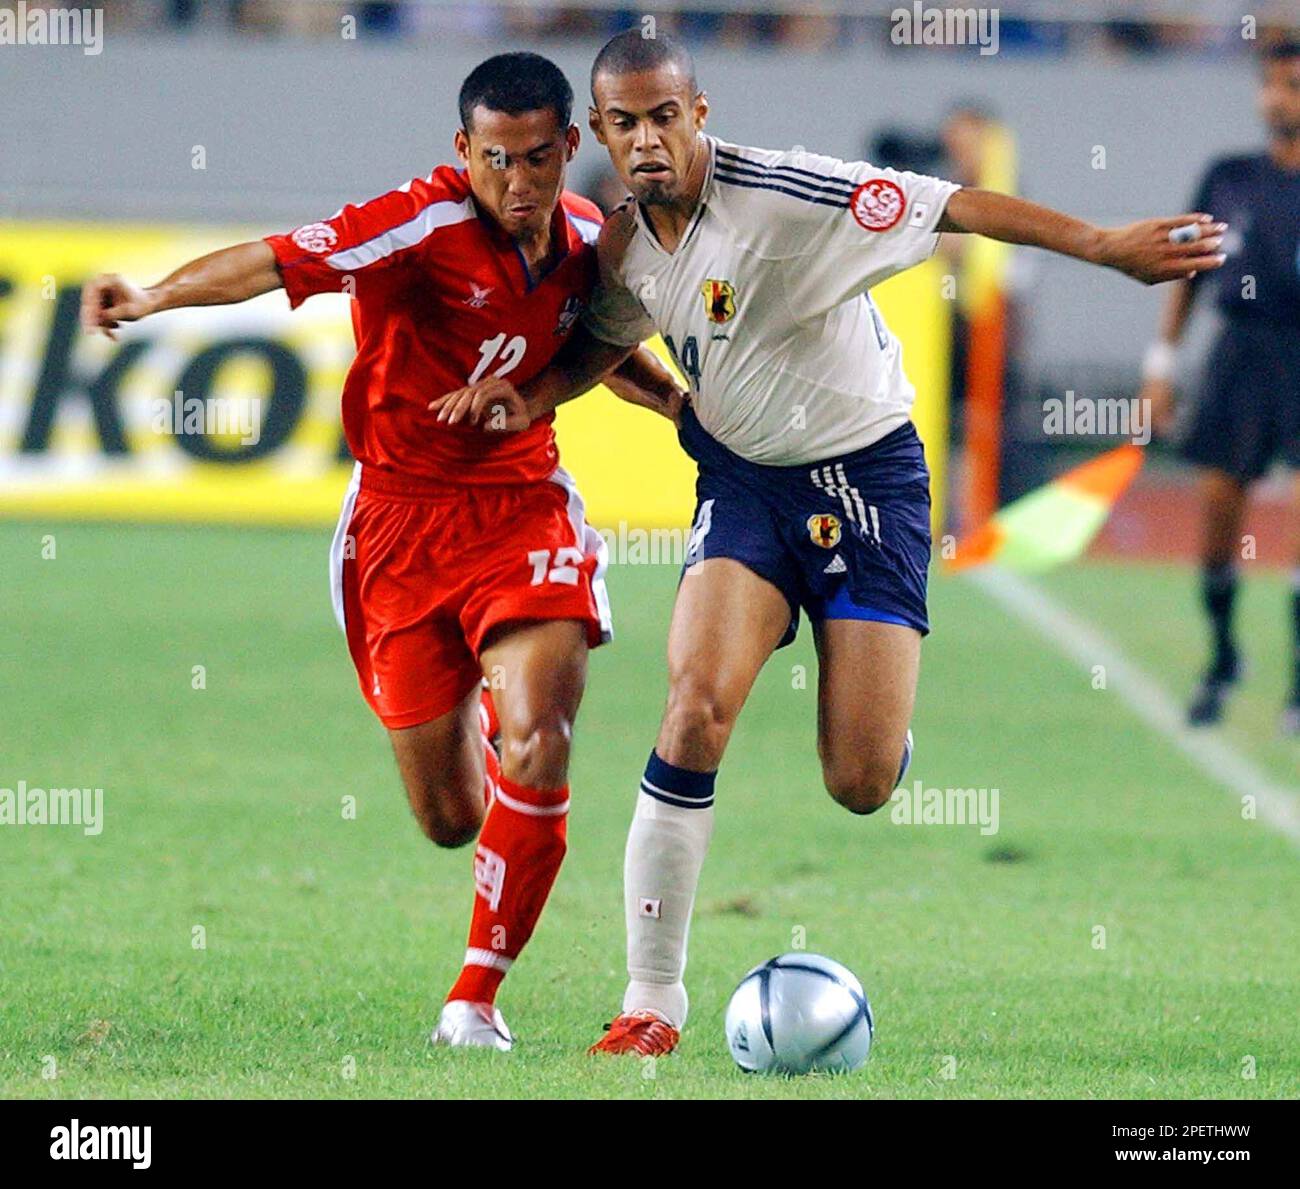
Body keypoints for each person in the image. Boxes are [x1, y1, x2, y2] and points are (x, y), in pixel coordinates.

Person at [432, 29, 1226, 1056]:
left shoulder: (790, 194)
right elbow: (601, 342)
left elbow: (954, 203)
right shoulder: (623, 247)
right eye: (623, 124)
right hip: (743, 487)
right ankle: (650, 1000)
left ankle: (883, 732)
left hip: (867, 482)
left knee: (857, 781)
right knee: (691, 709)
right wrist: (529, 393)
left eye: (663, 116)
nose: (645, 141)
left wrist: (1105, 246)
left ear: (698, 112)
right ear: (602, 133)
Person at [80, 51, 680, 1051]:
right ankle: (496, 763)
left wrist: (680, 409)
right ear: (463, 150)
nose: (520, 185)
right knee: (449, 817)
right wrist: (149, 298)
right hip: (397, 530)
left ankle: (473, 999)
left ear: (571, 147)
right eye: (498, 160)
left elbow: (601, 345)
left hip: (523, 509)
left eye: (539, 159)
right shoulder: (419, 224)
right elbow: (275, 260)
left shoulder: (586, 239)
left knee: (543, 731)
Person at [1140, 40, 1300, 733]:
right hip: (1240, 353)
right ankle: (1223, 654)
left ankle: (1298, 683)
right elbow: (1187, 271)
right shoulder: (1228, 177)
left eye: (1290, 85)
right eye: (1270, 84)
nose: (1275, 98)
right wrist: (1161, 365)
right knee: (1217, 516)